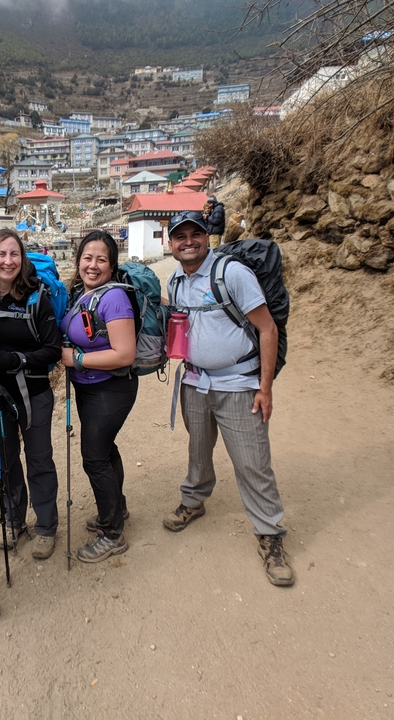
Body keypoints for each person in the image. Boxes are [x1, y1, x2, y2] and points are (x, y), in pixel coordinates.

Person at [164, 211, 294, 586]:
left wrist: (264, 387)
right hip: (195, 382)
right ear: (170, 244)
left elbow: (267, 328)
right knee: (198, 449)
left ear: (207, 237)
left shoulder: (231, 274)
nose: (187, 241)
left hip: (238, 383)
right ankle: (194, 500)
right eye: (180, 237)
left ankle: (270, 534)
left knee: (252, 461)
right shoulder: (176, 280)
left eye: (195, 234)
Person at [0, 229, 62, 559]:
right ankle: (14, 520)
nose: (8, 261)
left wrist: (13, 359)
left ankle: (45, 526)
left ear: (22, 259)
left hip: (34, 394)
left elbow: (52, 350)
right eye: (1, 254)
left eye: (14, 254)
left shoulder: (37, 296)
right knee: (7, 461)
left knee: (39, 460)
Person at [60, 230, 138, 563]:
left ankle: (112, 534)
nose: (93, 265)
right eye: (87, 258)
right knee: (105, 450)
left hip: (110, 387)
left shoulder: (114, 298)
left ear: (112, 265)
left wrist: (76, 359)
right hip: (90, 388)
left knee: (94, 458)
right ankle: (116, 511)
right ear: (78, 261)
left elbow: (125, 354)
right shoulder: (83, 292)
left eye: (101, 260)